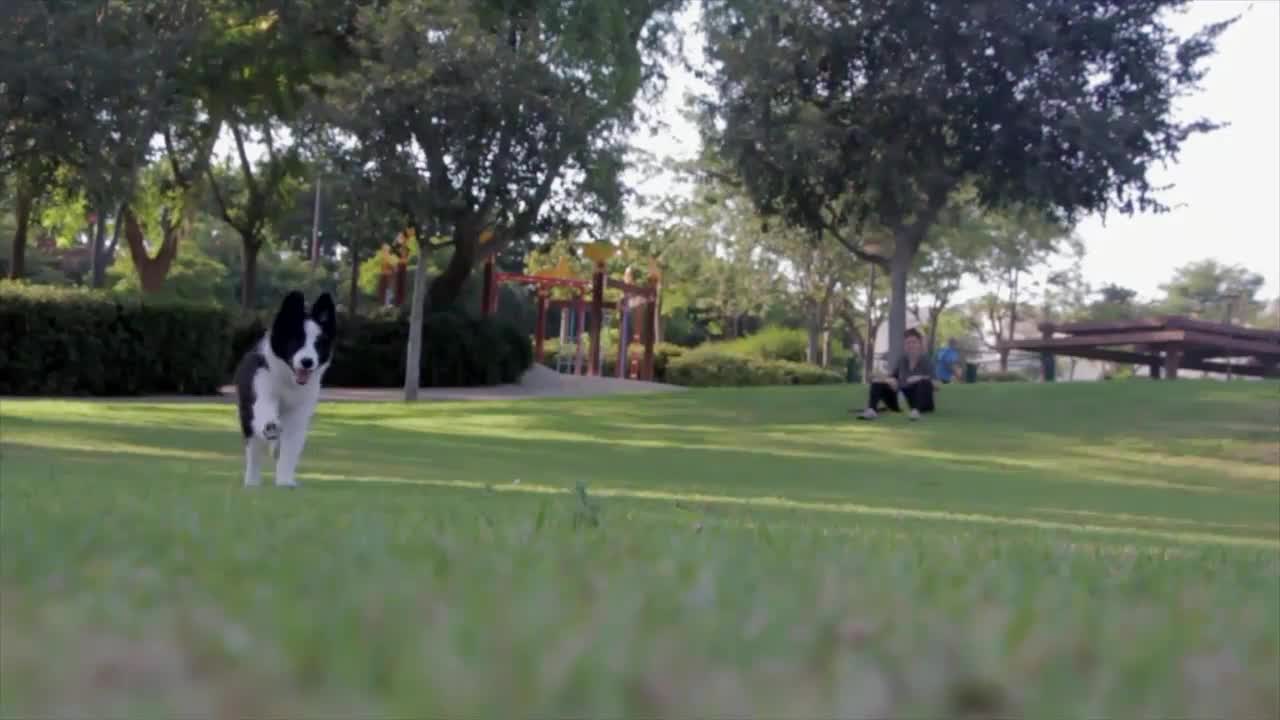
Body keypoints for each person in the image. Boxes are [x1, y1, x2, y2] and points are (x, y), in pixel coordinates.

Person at [856, 328, 936, 421]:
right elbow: (892, 377)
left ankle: (915, 411)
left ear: (919, 344)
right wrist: (888, 380)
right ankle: (871, 410)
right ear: (904, 345)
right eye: (908, 343)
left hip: (922, 402)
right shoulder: (902, 360)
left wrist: (920, 378)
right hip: (903, 400)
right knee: (877, 383)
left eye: (914, 342)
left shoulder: (926, 361)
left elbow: (937, 385)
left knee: (923, 382)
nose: (911, 345)